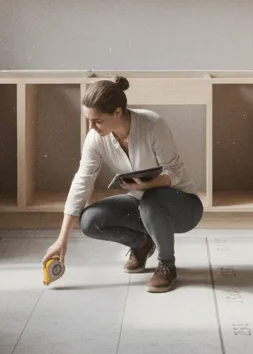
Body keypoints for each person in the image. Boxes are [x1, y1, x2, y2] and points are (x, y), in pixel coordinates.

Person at [41, 76, 203, 293]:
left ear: (117, 112)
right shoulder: (96, 137)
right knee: (90, 220)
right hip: (142, 202)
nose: (92, 127)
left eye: (97, 120)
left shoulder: (153, 124)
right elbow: (82, 181)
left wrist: (150, 185)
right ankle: (142, 244)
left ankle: (167, 265)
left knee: (151, 203)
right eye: (88, 120)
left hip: (183, 206)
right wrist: (62, 240)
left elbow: (175, 173)